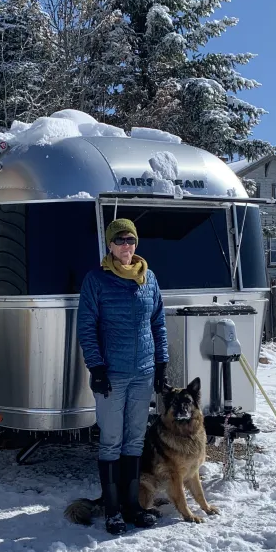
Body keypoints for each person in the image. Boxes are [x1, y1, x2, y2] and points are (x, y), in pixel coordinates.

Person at [77, 218, 169, 535]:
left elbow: (158, 323)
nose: (126, 247)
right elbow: (86, 328)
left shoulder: (150, 279)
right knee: (111, 442)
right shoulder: (96, 280)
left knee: (135, 441)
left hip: (143, 372)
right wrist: (97, 368)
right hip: (111, 375)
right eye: (120, 241)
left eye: (130, 241)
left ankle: (133, 506)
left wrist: (161, 365)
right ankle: (113, 511)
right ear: (110, 245)